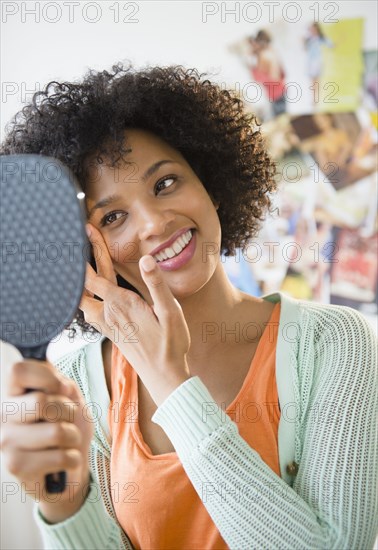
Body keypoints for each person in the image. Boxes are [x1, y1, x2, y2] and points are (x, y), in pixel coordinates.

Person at [0, 64, 377, 550]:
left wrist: (169, 382)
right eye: (112, 217)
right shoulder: (79, 382)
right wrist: (64, 503)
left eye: (166, 183)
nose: (155, 224)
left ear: (210, 182)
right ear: (81, 248)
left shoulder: (335, 344)